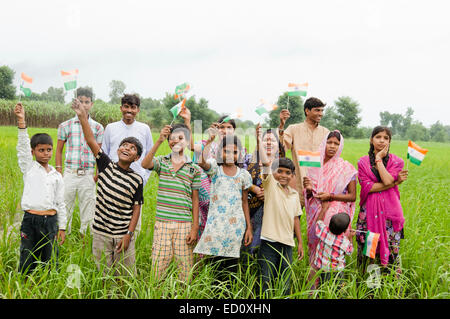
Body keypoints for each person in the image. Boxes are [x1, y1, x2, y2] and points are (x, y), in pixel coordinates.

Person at [71, 99, 144, 276]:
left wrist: (128, 234)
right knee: (103, 274)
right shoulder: (105, 165)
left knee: (125, 275)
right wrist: (82, 117)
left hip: (122, 234)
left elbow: (137, 208)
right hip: (101, 232)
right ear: (118, 149)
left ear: (136, 158)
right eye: (124, 145)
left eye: (133, 148)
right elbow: (90, 140)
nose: (127, 148)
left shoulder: (137, 179)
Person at [141, 123, 201, 282]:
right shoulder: (162, 162)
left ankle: (183, 294)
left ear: (188, 142)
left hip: (185, 225)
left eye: (180, 138)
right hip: (163, 223)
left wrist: (195, 227)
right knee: (159, 265)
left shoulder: (193, 168)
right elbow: (145, 164)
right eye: (171, 139)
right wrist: (158, 141)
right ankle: (157, 291)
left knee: (185, 268)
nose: (175, 141)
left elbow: (196, 199)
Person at [14, 103, 67, 275]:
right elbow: (22, 147)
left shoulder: (56, 175)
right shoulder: (29, 167)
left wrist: (62, 227)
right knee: (27, 256)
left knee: (50, 259)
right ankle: (25, 284)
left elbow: (61, 202)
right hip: (30, 221)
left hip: (50, 222)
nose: (46, 153)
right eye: (41, 150)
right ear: (33, 151)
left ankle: (46, 287)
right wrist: (22, 121)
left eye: (49, 150)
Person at [194, 134, 253, 281]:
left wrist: (249, 227)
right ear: (220, 152)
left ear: (240, 154)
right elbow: (200, 162)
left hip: (235, 228)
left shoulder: (244, 175)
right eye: (226, 151)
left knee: (231, 268)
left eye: (234, 152)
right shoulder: (215, 169)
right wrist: (208, 141)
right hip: (216, 227)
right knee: (215, 267)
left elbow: (244, 201)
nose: (230, 155)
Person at [302, 130, 357, 282]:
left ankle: (332, 286)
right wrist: (307, 189)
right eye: (329, 142)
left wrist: (330, 196)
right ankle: (312, 288)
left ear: (340, 146)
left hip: (335, 216)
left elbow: (352, 196)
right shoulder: (313, 164)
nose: (332, 146)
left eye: (336, 143)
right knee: (316, 250)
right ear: (324, 143)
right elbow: (309, 194)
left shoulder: (346, 168)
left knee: (332, 250)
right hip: (317, 213)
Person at [356, 126, 408, 273]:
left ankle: (389, 285)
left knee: (391, 250)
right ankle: (368, 285)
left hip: (390, 213)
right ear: (371, 140)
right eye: (378, 137)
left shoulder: (397, 162)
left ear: (390, 142)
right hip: (369, 213)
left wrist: (379, 159)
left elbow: (386, 180)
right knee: (369, 249)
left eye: (386, 138)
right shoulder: (363, 162)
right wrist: (395, 182)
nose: (382, 140)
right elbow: (368, 187)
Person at [101, 94, 153, 236]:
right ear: (121, 108)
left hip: (135, 182)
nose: (129, 110)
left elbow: (150, 155)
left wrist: (144, 177)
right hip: (113, 181)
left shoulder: (144, 129)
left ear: (138, 110)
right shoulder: (111, 128)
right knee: (110, 218)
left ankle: (129, 251)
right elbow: (103, 153)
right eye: (126, 106)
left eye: (133, 107)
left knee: (134, 220)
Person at [56, 87, 104, 237]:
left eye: (87, 102)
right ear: (76, 102)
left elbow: (99, 154)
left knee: (88, 211)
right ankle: (62, 239)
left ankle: (85, 242)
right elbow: (58, 150)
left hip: (87, 175)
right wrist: (59, 172)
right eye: (81, 101)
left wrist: (96, 175)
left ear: (92, 104)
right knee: (64, 207)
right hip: (70, 173)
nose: (84, 105)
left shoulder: (97, 127)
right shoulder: (65, 125)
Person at [257, 154, 304, 296]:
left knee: (284, 281)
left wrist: (300, 243)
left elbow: (296, 218)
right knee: (265, 280)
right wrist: (259, 138)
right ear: (273, 173)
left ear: (293, 175)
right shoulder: (271, 186)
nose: (283, 175)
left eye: (288, 173)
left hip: (287, 244)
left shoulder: (294, 194)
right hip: (269, 243)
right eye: (280, 171)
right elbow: (266, 164)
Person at [244, 124, 286, 256]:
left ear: (278, 145)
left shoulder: (284, 166)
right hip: (251, 212)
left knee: (268, 251)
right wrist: (253, 187)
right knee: (249, 248)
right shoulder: (249, 161)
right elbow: (238, 180)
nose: (268, 142)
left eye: (272, 140)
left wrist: (270, 194)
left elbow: (290, 192)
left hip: (274, 215)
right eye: (265, 140)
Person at [280, 97, 330, 206]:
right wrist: (281, 126)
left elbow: (330, 157)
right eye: (317, 110)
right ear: (307, 111)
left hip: (320, 184)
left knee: (318, 219)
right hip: (298, 182)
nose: (320, 113)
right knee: (294, 218)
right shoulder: (293, 129)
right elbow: (281, 149)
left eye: (322, 110)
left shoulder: (325, 132)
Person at [312, 201, 355, 288]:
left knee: (323, 287)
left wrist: (324, 209)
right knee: (337, 290)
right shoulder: (344, 242)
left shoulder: (323, 231)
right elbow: (350, 252)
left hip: (322, 269)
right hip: (337, 271)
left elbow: (318, 222)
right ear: (344, 230)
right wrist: (350, 237)